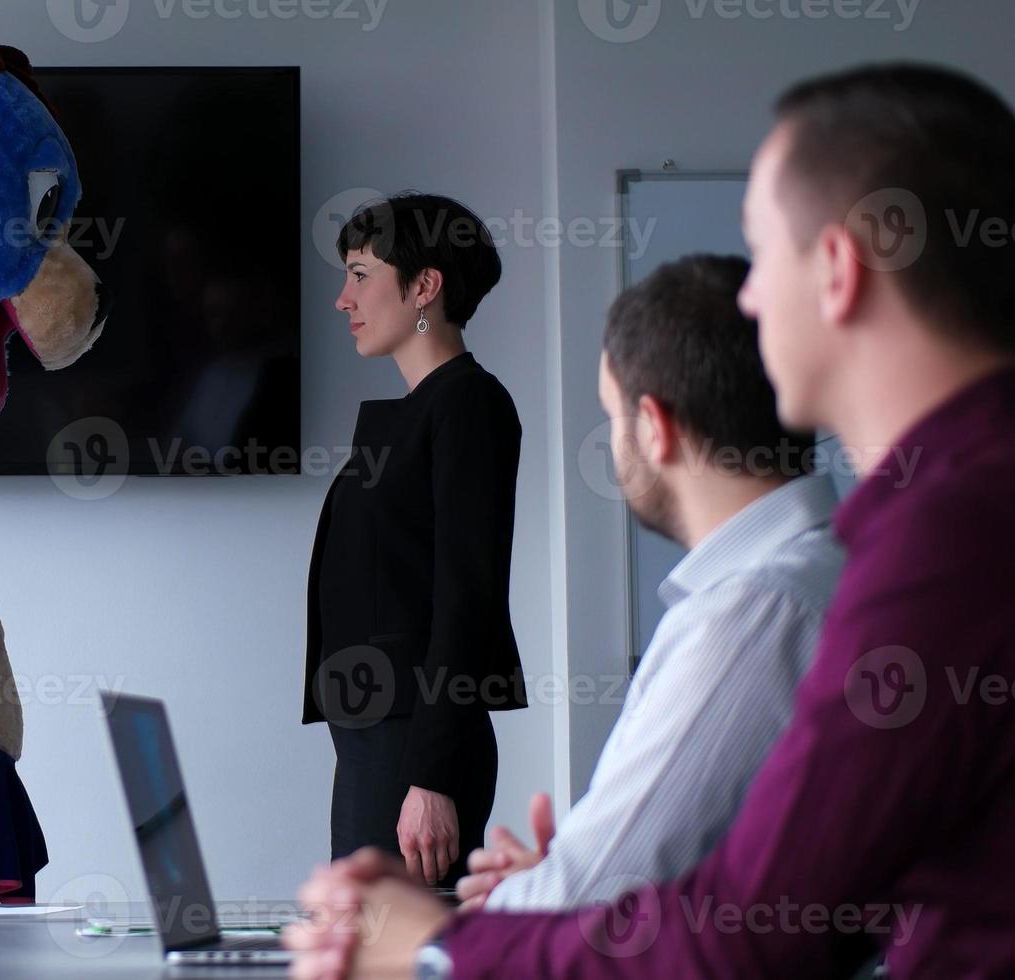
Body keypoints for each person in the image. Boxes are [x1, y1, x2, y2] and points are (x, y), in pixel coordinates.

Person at [288, 62, 1015, 978]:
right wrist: (560, 893)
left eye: (762, 257)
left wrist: (437, 949)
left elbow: (754, 930)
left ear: (834, 269)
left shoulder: (891, 564)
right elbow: (798, 897)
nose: (744, 303)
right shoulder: (913, 533)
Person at [451, 253, 842, 913]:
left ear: (654, 428)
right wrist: (548, 878)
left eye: (612, 415)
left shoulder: (753, 614)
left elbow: (589, 897)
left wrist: (418, 937)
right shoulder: (822, 571)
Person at [304, 192, 527, 886]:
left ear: (424, 285)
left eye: (361, 273)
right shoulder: (418, 413)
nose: (344, 299)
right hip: (379, 740)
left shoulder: (466, 405)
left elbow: (467, 596)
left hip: (415, 750)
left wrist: (429, 778)